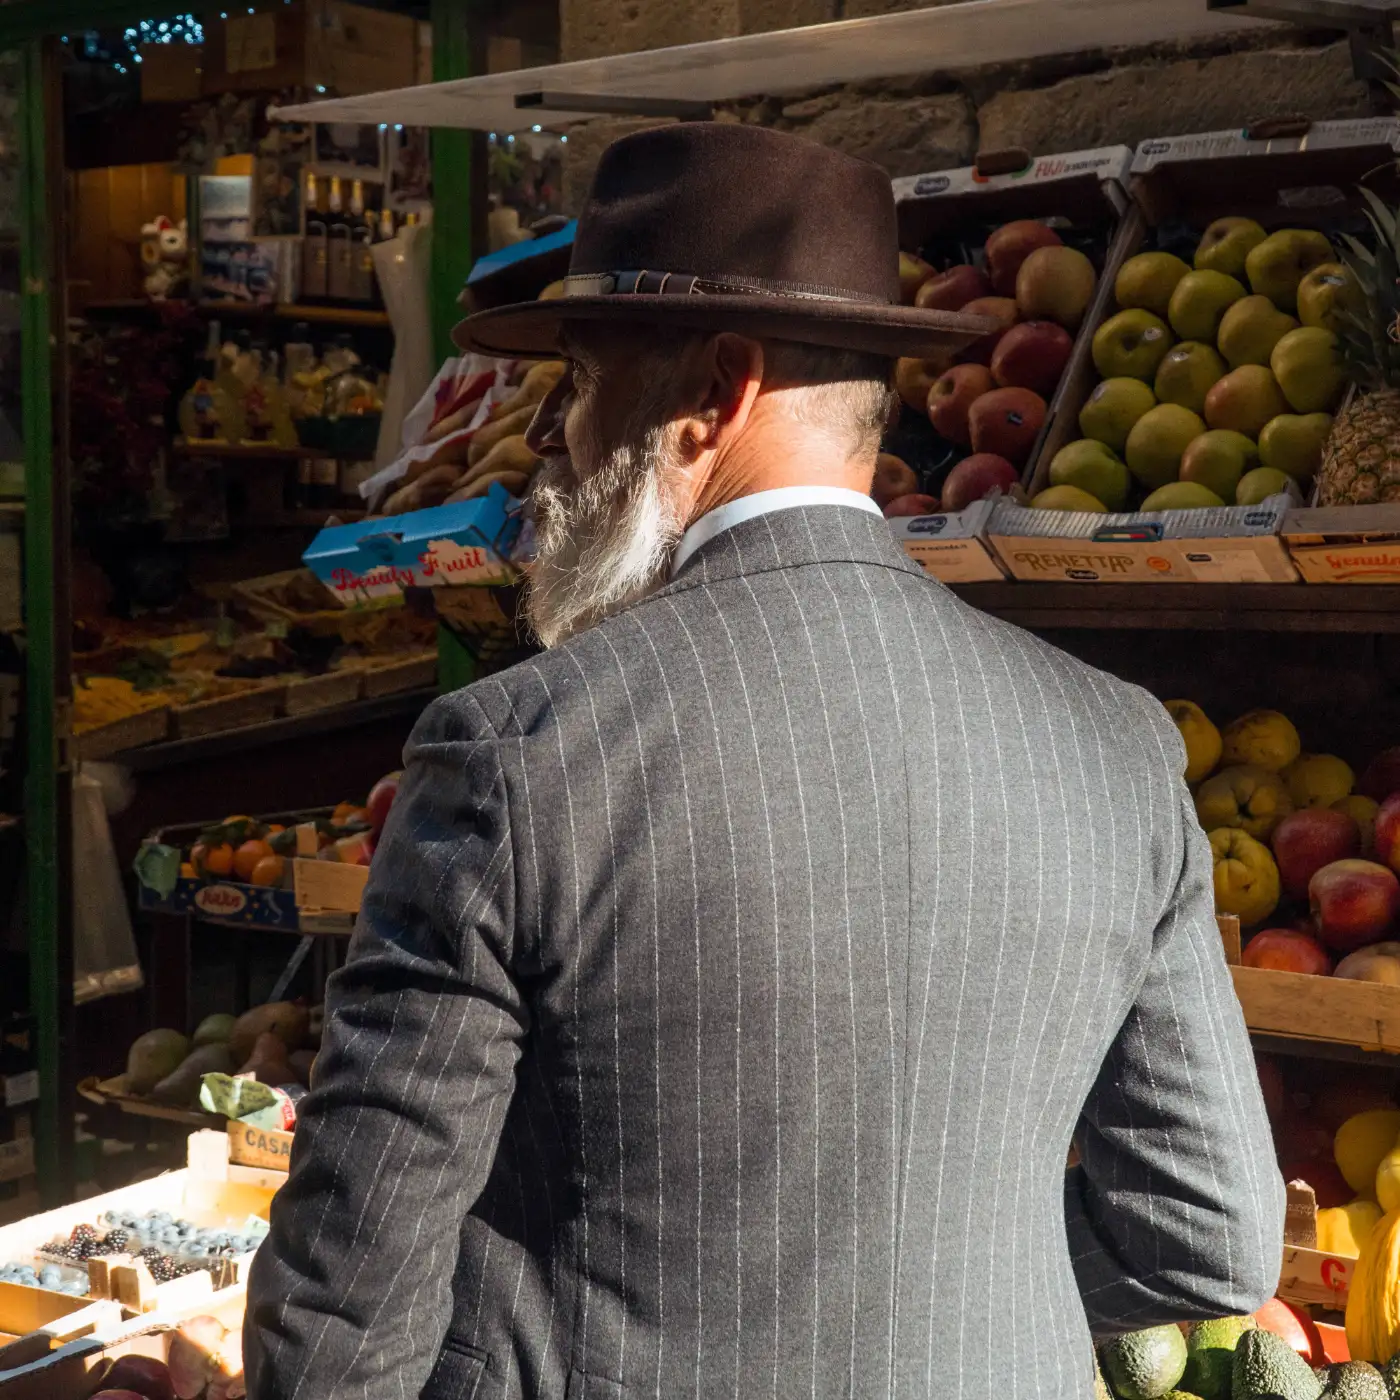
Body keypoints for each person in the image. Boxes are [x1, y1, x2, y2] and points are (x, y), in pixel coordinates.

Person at [244, 123, 1283, 1400]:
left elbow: (342, 1329)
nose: (558, 441)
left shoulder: (517, 750)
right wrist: (952, 1292)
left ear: (714, 394)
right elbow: (1206, 1239)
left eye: (582, 383)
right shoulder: (1117, 743)